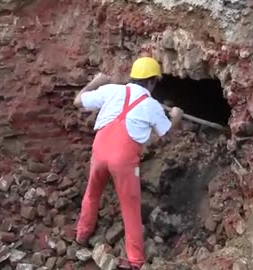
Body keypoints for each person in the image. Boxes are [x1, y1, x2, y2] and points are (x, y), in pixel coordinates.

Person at [73, 57, 183, 269]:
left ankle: (81, 235)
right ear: (152, 82)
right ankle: (135, 260)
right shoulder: (151, 106)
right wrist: (177, 117)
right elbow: (167, 135)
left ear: (133, 76)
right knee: (130, 207)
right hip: (122, 160)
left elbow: (78, 101)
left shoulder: (112, 90)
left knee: (92, 193)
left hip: (99, 150)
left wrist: (96, 82)